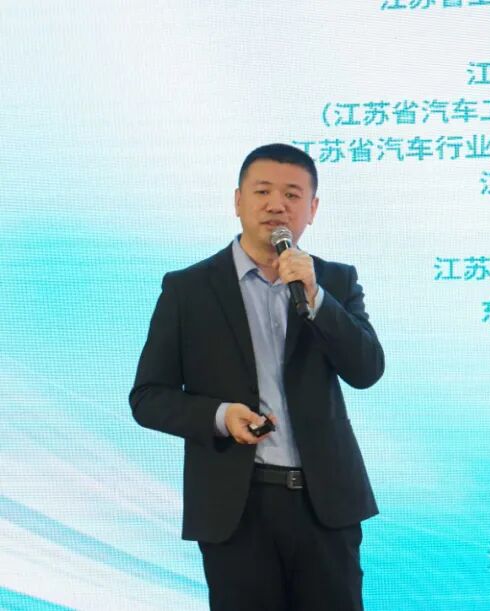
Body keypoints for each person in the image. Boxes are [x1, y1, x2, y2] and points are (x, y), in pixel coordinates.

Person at [130, 143, 384, 610]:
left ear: (312, 209)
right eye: (263, 191)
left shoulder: (335, 281)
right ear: (238, 201)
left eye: (292, 194)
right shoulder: (188, 289)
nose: (276, 205)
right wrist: (220, 416)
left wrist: (316, 297)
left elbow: (367, 370)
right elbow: (148, 397)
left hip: (325, 506)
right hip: (236, 507)